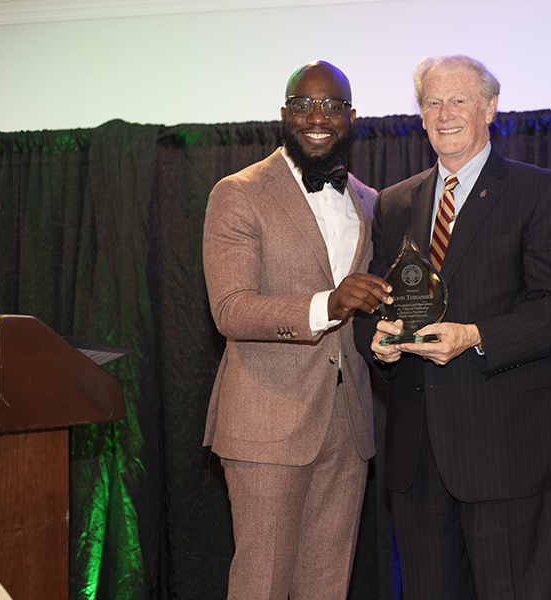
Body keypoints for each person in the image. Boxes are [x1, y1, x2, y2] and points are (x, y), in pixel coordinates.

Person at [354, 55, 551, 599]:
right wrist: (378, 343)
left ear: (490, 107)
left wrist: (474, 336)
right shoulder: (394, 203)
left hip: (506, 453)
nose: (445, 113)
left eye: (459, 100)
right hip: (417, 457)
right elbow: (377, 302)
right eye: (432, 102)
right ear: (419, 115)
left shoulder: (539, 192)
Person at [202, 60, 392, 600]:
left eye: (332, 106)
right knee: (262, 584)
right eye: (304, 105)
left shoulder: (371, 201)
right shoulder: (238, 193)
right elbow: (232, 310)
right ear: (283, 114)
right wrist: (327, 304)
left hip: (348, 422)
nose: (318, 117)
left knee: (328, 586)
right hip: (266, 418)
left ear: (351, 117)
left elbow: (371, 310)